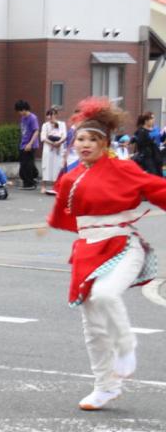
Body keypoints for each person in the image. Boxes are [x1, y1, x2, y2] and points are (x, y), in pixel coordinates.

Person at [44, 97, 166, 411]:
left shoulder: (122, 168)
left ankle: (127, 347)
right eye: (80, 139)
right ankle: (105, 387)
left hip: (122, 244)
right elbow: (64, 214)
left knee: (106, 294)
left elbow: (157, 188)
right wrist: (50, 223)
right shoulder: (70, 178)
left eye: (91, 139)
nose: (84, 144)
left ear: (105, 143)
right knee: (93, 327)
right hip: (87, 250)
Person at [40, 106, 67, 193]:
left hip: (58, 147)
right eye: (49, 115)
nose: (51, 117)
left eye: (53, 115)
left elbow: (64, 135)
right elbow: (43, 137)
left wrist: (59, 142)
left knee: (57, 166)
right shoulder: (45, 125)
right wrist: (52, 143)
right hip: (48, 147)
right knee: (46, 165)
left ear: (56, 115)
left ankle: (55, 185)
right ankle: (43, 185)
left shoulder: (62, 124)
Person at [15, 100, 40, 189]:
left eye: (20, 111)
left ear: (24, 109)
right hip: (23, 143)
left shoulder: (33, 118)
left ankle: (30, 183)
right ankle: (33, 178)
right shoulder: (23, 118)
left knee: (27, 164)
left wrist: (30, 144)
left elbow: (36, 131)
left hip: (30, 145)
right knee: (24, 163)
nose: (19, 113)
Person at [133, 112, 164, 177]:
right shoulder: (141, 132)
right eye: (152, 118)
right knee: (153, 176)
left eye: (154, 118)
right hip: (148, 159)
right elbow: (141, 146)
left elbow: (161, 139)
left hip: (156, 157)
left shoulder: (155, 129)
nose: (153, 120)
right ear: (146, 121)